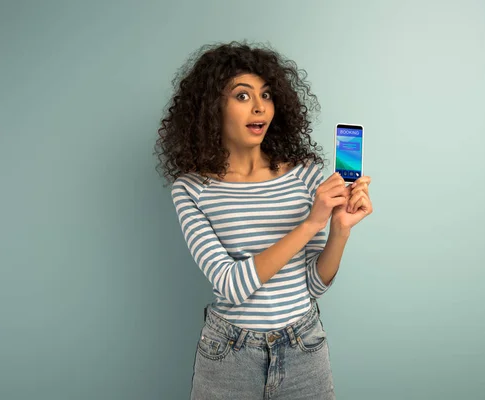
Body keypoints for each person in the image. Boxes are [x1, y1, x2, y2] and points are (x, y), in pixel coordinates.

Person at [155, 41, 373, 400]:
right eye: (242, 96)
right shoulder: (191, 189)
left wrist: (338, 230)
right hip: (229, 355)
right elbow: (231, 285)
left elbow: (314, 285)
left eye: (267, 95)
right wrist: (308, 224)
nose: (259, 107)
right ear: (212, 108)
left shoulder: (306, 176)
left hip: (304, 346)